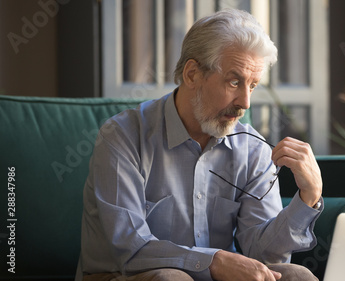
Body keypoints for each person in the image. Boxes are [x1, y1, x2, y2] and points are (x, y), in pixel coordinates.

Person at [77, 8, 323, 281]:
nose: (246, 102)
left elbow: (265, 258)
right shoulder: (121, 137)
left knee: (296, 275)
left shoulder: (253, 151)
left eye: (252, 85)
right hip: (123, 275)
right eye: (234, 81)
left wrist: (308, 198)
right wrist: (213, 261)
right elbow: (129, 248)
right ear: (192, 74)